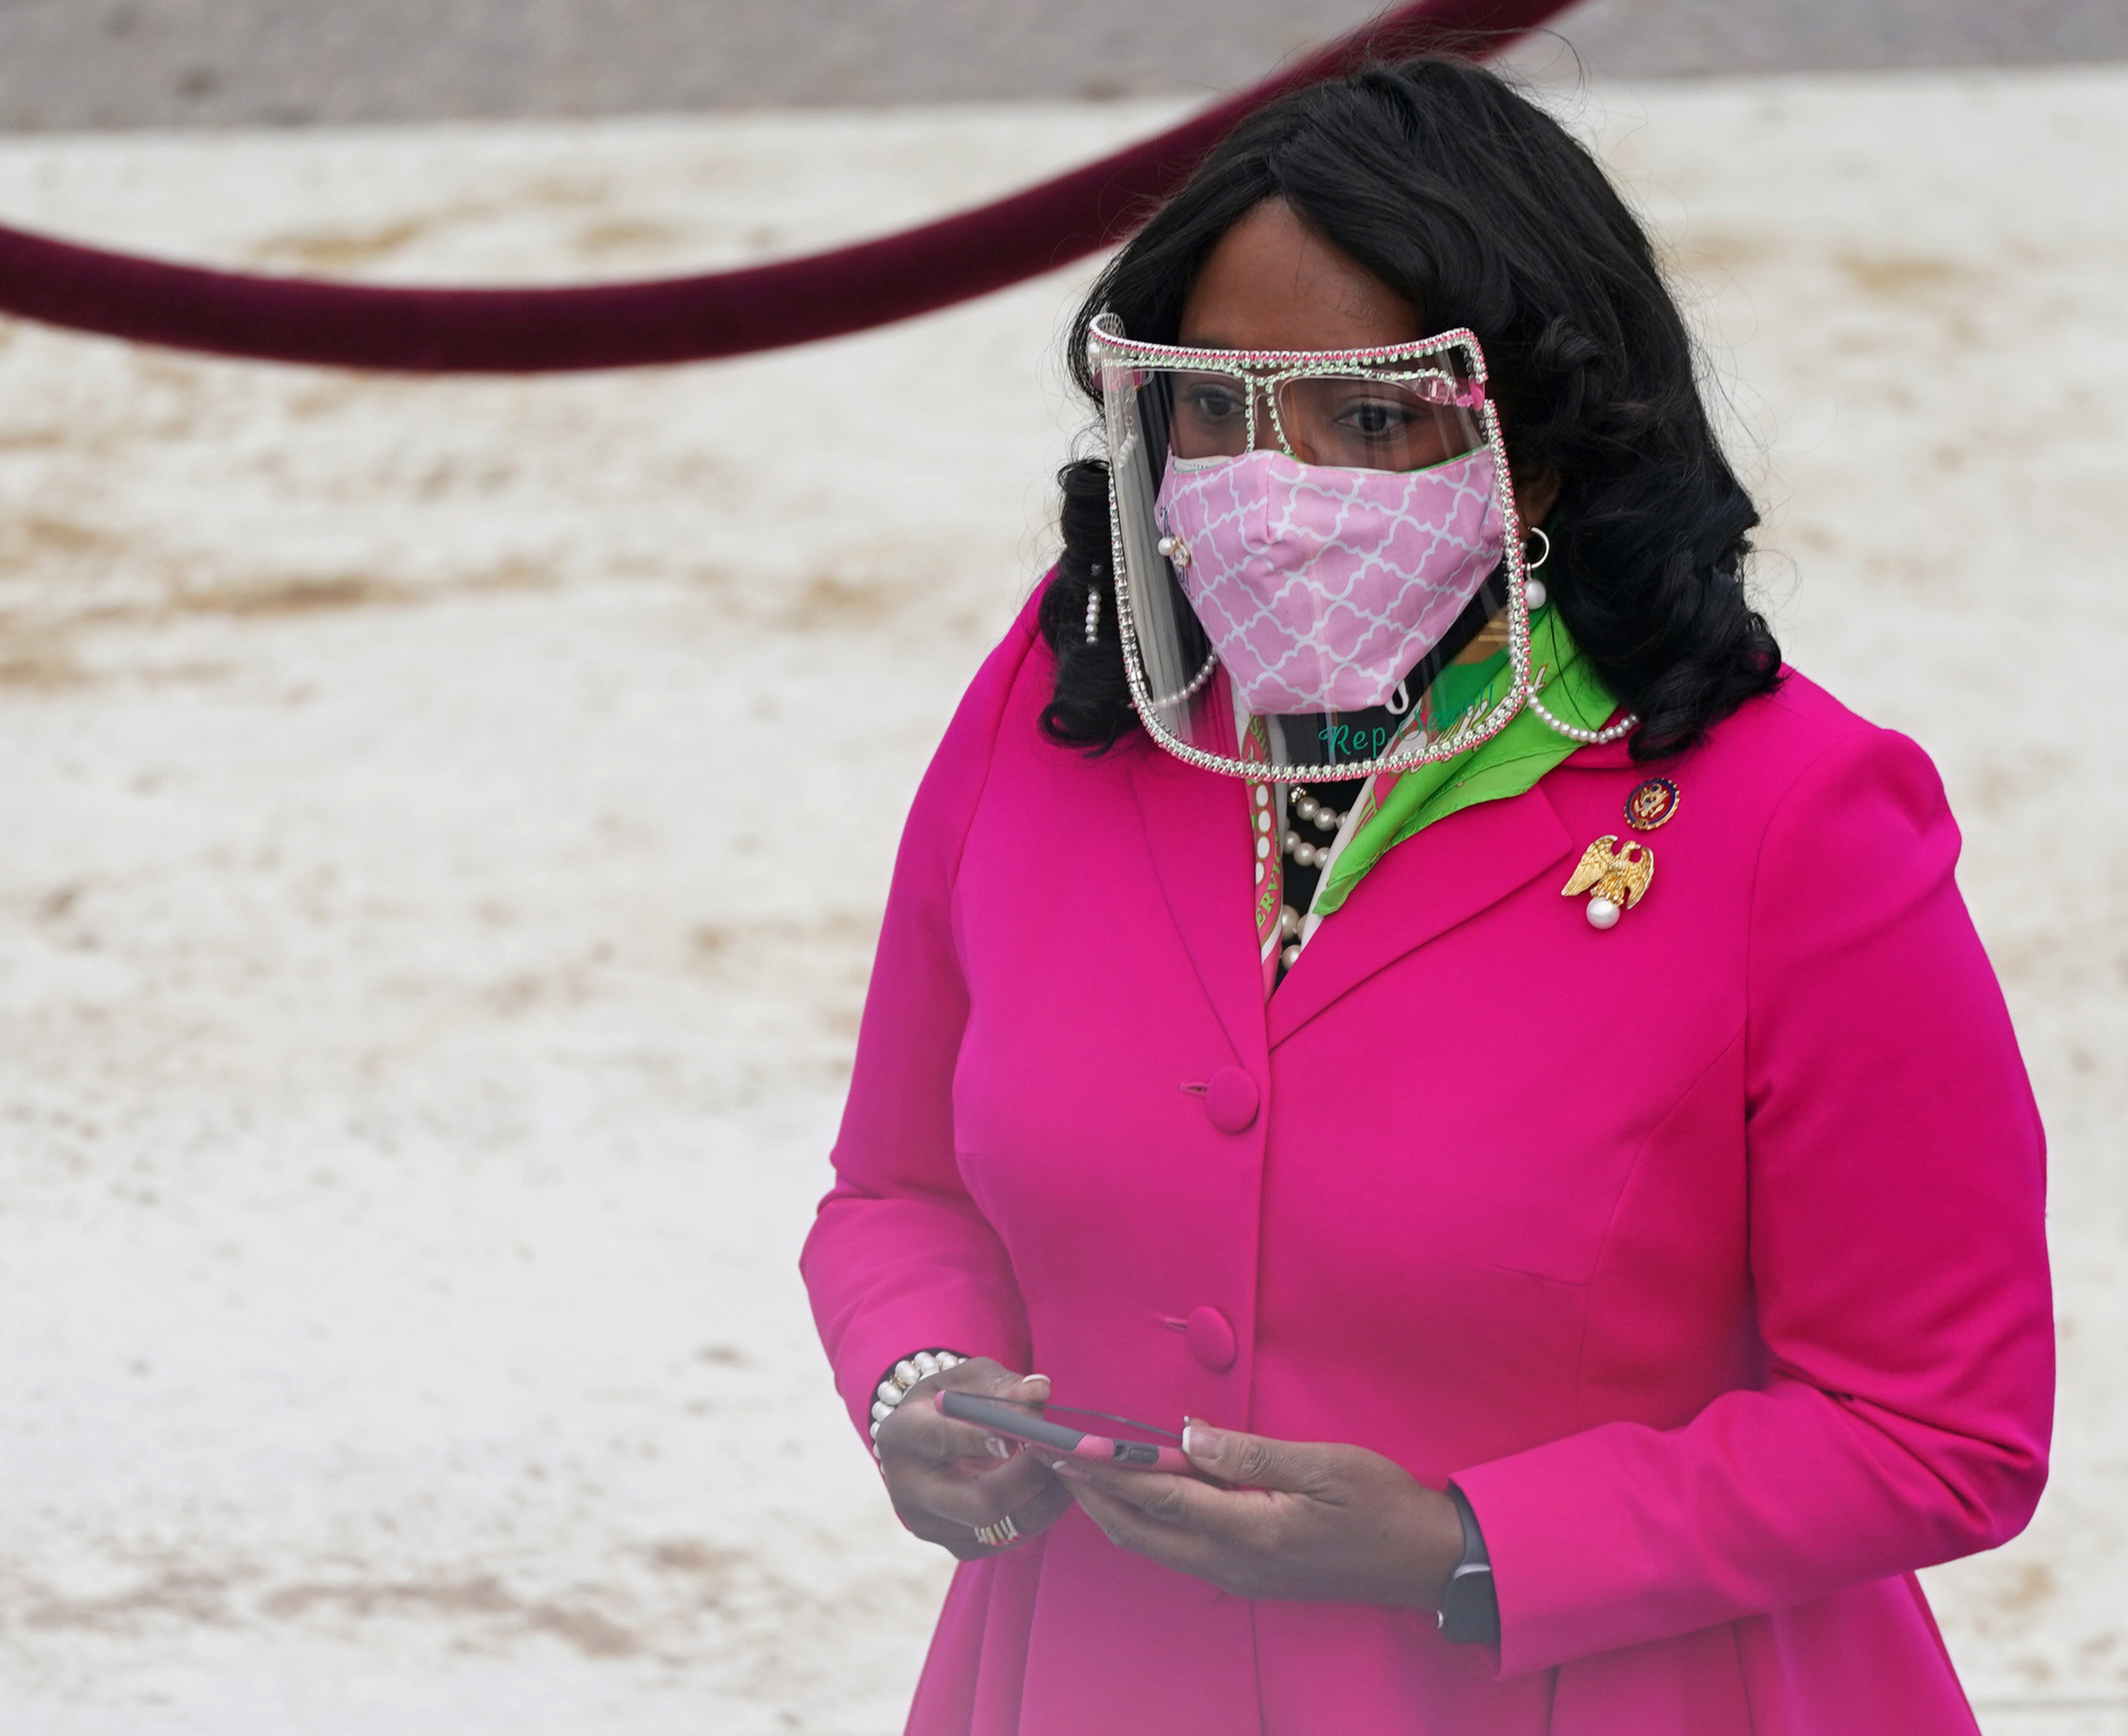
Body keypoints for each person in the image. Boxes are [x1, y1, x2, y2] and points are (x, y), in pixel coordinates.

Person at [799, 56, 2052, 1735]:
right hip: (1098, 1676)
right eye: (1214, 406)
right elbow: (892, 1190)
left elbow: (1941, 1429)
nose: (1273, 480)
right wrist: (923, 1381)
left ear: (1538, 451)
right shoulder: (1060, 700)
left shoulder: (1803, 818)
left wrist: (1465, 1547)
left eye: (1369, 417)